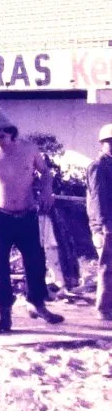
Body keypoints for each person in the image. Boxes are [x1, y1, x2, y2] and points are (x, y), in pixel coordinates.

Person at [0, 108, 64, 333]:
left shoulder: (29, 149)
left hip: (26, 216)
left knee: (35, 262)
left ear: (11, 132)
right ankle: (4, 315)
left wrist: (47, 192)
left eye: (1, 135)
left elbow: (45, 173)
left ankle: (37, 304)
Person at [86, 122, 112, 323]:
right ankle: (103, 308)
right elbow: (97, 198)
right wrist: (102, 226)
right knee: (107, 266)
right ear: (102, 144)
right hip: (106, 224)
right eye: (109, 142)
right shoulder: (98, 166)